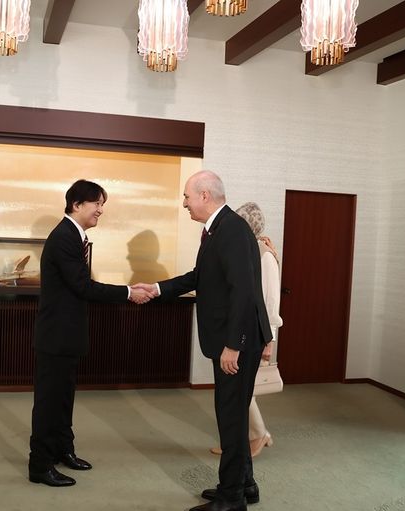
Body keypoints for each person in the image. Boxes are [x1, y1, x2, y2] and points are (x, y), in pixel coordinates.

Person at [134, 171, 272, 511]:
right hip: (232, 337)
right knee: (234, 415)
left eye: (187, 196)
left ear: (205, 195)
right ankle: (245, 485)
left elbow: (244, 291)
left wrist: (234, 344)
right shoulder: (218, 229)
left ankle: (231, 498)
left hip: (236, 342)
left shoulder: (232, 230)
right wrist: (159, 288)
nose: (184, 203)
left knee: (230, 417)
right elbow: (201, 277)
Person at [29, 179, 152, 487]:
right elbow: (82, 286)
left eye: (102, 204)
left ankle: (63, 450)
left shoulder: (74, 236)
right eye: (97, 203)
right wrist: (128, 292)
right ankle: (40, 465)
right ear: (76, 205)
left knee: (64, 399)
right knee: (49, 403)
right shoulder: (64, 237)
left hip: (66, 336)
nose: (100, 210)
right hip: (56, 337)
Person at [209, 202, 283, 458]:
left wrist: (269, 341)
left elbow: (271, 303)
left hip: (257, 332)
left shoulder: (265, 255)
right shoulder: (244, 249)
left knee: (243, 391)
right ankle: (238, 439)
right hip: (241, 327)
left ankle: (258, 434)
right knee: (238, 391)